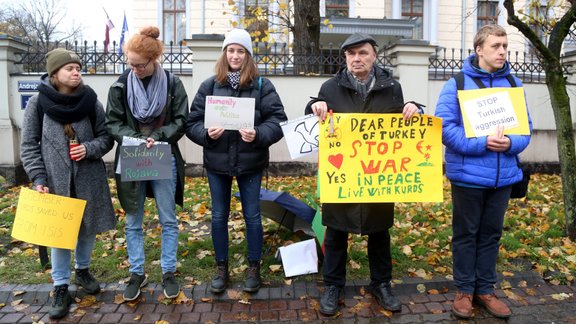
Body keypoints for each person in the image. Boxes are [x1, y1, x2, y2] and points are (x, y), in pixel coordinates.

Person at [305, 32, 421, 315]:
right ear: (345, 58)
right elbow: (312, 119)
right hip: (342, 175)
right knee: (335, 233)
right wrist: (313, 106)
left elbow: (401, 128)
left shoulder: (392, 87)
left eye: (363, 53)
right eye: (351, 54)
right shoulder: (330, 87)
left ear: (374, 56)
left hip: (377, 175)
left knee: (380, 233)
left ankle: (381, 284)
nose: (357, 58)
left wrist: (413, 108)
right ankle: (333, 285)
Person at [434, 24, 532, 319]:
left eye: (505, 46)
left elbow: (525, 131)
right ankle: (464, 291)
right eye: (496, 46)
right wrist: (482, 143)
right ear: (479, 50)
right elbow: (444, 128)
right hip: (468, 176)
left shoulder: (513, 84)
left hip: (503, 177)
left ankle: (485, 289)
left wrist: (511, 143)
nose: (503, 51)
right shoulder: (458, 83)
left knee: (491, 235)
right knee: (466, 234)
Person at [186, 28, 287, 294]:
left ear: (248, 55)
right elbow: (192, 123)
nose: (235, 55)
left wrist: (258, 134)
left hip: (250, 162)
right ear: (224, 53)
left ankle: (254, 268)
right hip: (217, 163)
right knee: (218, 216)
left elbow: (278, 121)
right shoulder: (210, 85)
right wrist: (206, 134)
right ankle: (222, 267)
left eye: (241, 51)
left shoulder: (263, 85)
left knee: (252, 216)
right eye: (231, 50)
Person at [20, 48, 116, 319]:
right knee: (59, 235)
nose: (76, 72)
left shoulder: (91, 101)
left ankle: (83, 270)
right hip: (53, 180)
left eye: (78, 68)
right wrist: (38, 177)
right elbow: (28, 145)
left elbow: (106, 137)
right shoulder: (38, 104)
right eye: (70, 69)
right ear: (55, 74)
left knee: (87, 228)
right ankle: (60, 286)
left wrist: (88, 148)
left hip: (88, 178)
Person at [105, 26, 189, 301]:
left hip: (163, 154)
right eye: (131, 64)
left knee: (167, 218)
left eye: (140, 65)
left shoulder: (173, 84)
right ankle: (136, 272)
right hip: (132, 156)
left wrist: (157, 136)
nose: (135, 70)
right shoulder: (119, 85)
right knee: (133, 220)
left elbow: (181, 119)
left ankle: (168, 271)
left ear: (153, 61)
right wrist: (134, 137)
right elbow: (113, 123)